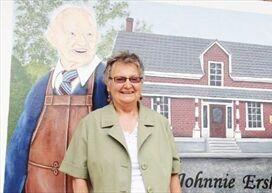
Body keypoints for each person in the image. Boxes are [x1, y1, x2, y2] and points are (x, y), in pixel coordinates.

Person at [4, 5, 108, 193]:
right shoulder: (41, 86)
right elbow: (18, 150)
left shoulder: (107, 81)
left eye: (89, 34)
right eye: (72, 33)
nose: (82, 41)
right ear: (53, 37)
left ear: (98, 37)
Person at [59, 52, 182, 193]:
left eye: (134, 79)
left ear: (141, 84)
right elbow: (78, 179)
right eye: (120, 79)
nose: (128, 85)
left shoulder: (161, 124)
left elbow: (173, 176)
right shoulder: (89, 125)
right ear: (108, 85)